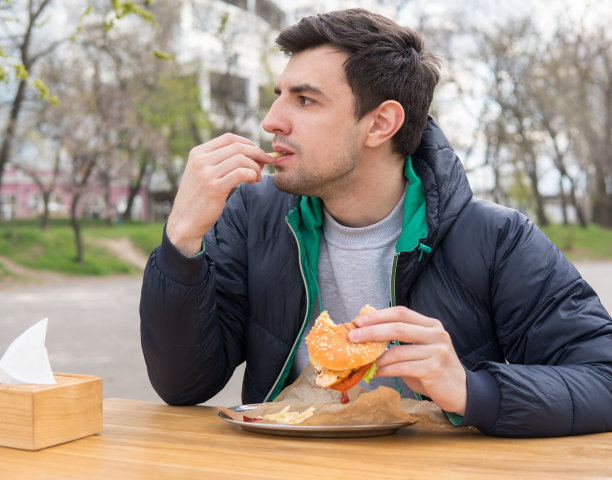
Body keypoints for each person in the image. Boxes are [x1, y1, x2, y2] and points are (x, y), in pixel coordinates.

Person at [139, 8, 612, 437]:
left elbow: (604, 377)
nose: (271, 120)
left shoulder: (496, 239)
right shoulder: (251, 217)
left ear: (381, 123)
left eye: (304, 100)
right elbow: (184, 386)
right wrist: (181, 241)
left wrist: (471, 390)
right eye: (278, 95)